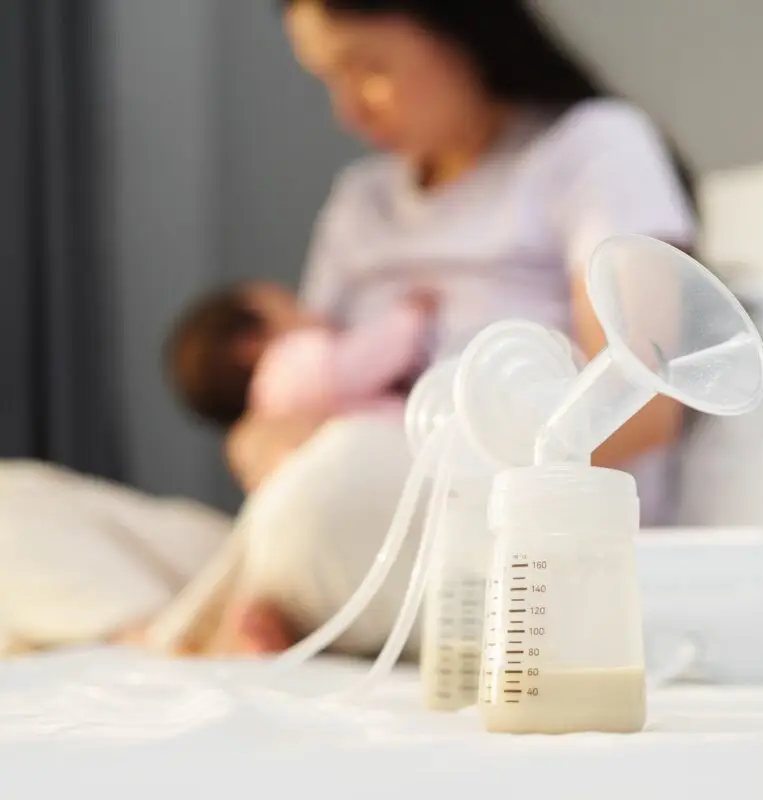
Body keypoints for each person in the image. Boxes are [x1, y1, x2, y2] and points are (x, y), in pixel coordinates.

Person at [181, 0, 699, 655]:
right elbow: (310, 386)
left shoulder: (592, 147)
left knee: (337, 475)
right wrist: (258, 442)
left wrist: (386, 447)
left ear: (457, 23)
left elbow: (645, 406)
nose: (349, 111)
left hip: (515, 525)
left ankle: (227, 616)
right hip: (348, 510)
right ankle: (219, 612)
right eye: (327, 81)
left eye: (367, 68)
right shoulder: (359, 203)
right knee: (17, 509)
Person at [165, 281, 437, 429]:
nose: (306, 309)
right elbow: (354, 366)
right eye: (288, 303)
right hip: (408, 433)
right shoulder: (284, 371)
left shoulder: (273, 413)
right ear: (248, 345)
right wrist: (409, 316)